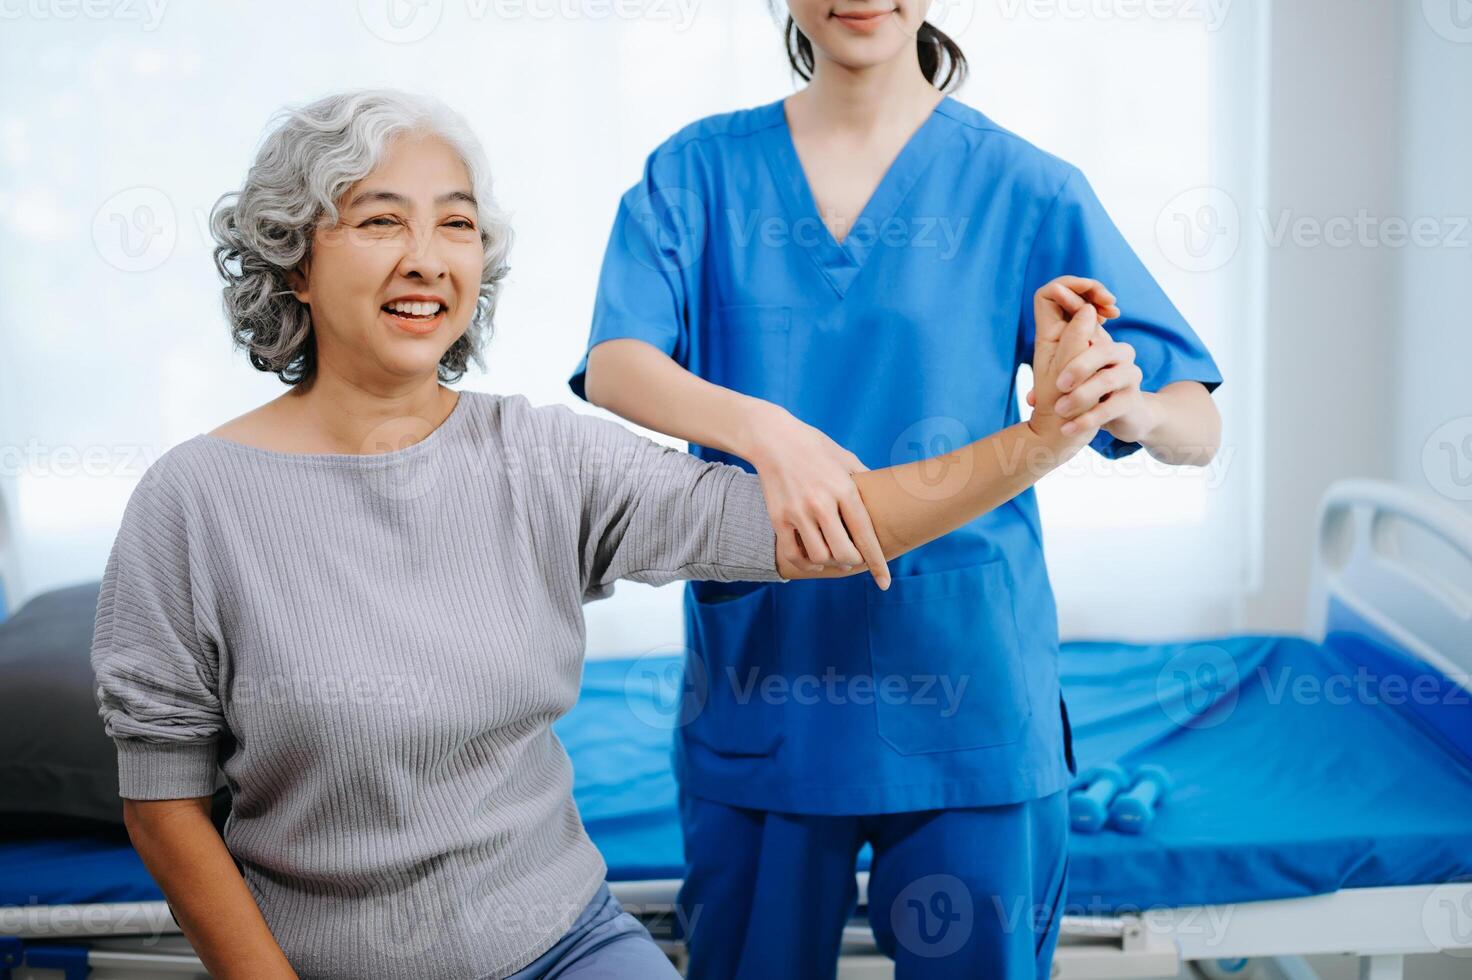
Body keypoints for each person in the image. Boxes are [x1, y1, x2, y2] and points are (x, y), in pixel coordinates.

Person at [91, 87, 1111, 980]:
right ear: (295, 263)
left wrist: (1036, 439)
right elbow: (163, 805)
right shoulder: (194, 502)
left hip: (564, 944)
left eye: (455, 226)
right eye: (377, 221)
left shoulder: (541, 459)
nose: (426, 257)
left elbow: (818, 531)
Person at [569, 4, 1225, 977]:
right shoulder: (698, 171)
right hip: (763, 684)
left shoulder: (1022, 186)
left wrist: (1118, 404)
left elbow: (1195, 422)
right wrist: (767, 430)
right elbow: (617, 361)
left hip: (967, 701)